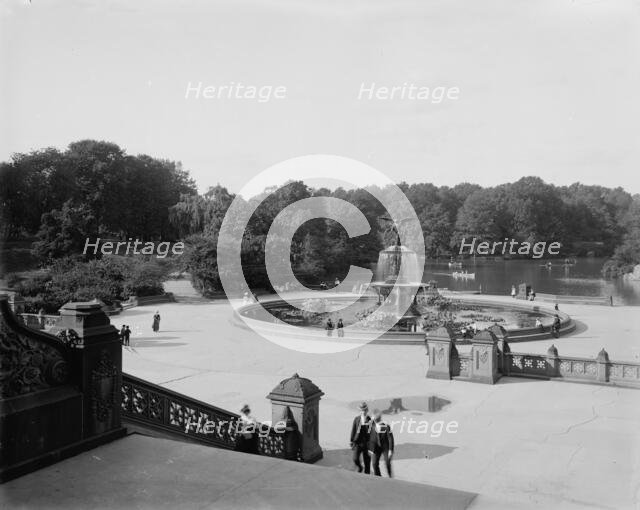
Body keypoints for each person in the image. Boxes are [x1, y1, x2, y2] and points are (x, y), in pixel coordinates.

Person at [368, 409, 394, 477]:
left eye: (375, 418)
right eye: (373, 418)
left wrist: (390, 450)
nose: (374, 419)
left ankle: (390, 475)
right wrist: (370, 449)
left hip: (385, 447)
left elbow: (390, 438)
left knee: (387, 463)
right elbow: (370, 438)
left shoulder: (386, 426)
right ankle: (378, 477)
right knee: (374, 464)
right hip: (376, 448)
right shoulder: (371, 426)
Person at [349, 402, 372, 474]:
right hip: (358, 443)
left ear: (367, 410)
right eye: (362, 410)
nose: (363, 412)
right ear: (360, 411)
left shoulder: (370, 420)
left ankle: (367, 477)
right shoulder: (356, 419)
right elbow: (353, 430)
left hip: (367, 445)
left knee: (367, 463)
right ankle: (360, 467)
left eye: (365, 410)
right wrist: (352, 441)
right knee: (355, 459)